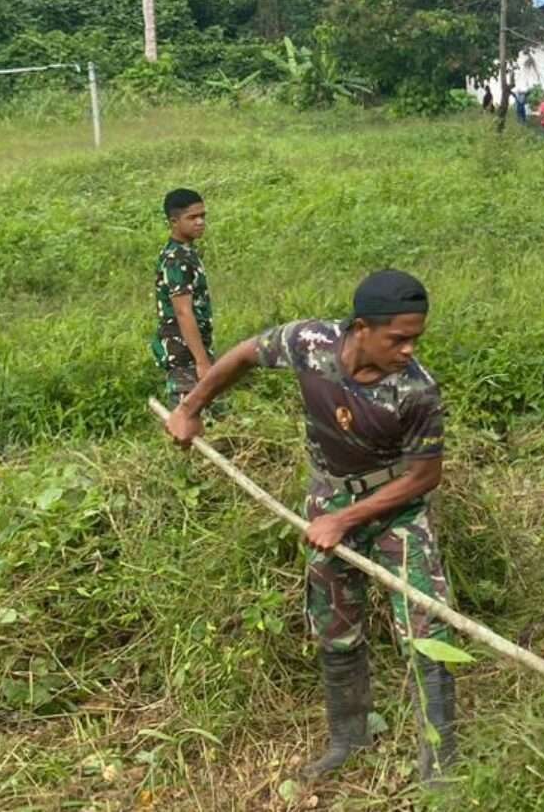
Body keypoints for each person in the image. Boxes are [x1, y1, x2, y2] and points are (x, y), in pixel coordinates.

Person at [165, 270, 458, 786]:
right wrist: (190, 408)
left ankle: (440, 769)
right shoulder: (310, 343)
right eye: (398, 338)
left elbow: (424, 476)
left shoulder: (416, 392)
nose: (409, 349)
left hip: (395, 510)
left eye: (417, 338)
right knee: (335, 624)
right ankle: (348, 738)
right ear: (361, 328)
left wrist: (345, 520)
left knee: (427, 630)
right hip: (329, 496)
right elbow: (243, 355)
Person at [152, 189, 214, 410]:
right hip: (182, 351)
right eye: (192, 217)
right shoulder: (176, 259)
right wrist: (202, 361)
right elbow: (183, 312)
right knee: (186, 417)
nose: (200, 222)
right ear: (174, 222)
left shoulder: (187, 253)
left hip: (194, 349)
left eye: (202, 216)